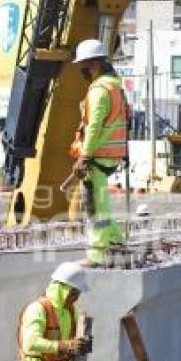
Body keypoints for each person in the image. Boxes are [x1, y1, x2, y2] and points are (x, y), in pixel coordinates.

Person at [70, 39, 129, 266]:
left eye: (82, 65)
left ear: (93, 64)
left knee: (95, 208)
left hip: (98, 155)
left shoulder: (98, 90)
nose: (81, 71)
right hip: (110, 154)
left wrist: (84, 155)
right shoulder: (115, 86)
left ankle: (97, 254)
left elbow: (94, 126)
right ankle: (116, 242)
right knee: (101, 203)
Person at [18, 262, 92, 361]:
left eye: (78, 293)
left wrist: (83, 343)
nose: (76, 298)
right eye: (74, 292)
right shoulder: (38, 308)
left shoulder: (71, 312)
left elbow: (74, 342)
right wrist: (65, 346)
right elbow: (30, 343)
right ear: (62, 288)